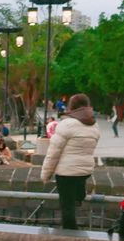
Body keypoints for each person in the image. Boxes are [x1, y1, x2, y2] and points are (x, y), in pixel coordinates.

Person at [40, 93, 100, 230]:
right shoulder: (94, 125)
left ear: (71, 107)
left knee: (67, 207)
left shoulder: (66, 125)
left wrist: (46, 174)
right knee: (76, 193)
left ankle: (70, 236)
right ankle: (79, 196)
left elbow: (53, 153)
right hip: (85, 171)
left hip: (66, 173)